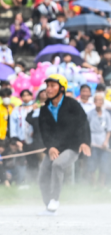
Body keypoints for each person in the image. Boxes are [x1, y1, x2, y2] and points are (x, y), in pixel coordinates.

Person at [37, 75, 91, 214]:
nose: (48, 89)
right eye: (47, 86)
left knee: (58, 165)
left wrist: (85, 142)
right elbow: (45, 131)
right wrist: (50, 147)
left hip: (72, 146)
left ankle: (55, 199)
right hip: (54, 147)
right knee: (43, 174)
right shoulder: (44, 109)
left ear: (61, 88)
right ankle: (49, 205)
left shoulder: (72, 104)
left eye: (52, 86)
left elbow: (83, 123)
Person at [86, 93, 111, 185]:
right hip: (93, 141)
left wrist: (105, 142)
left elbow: (109, 130)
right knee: (92, 163)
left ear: (103, 102)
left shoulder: (106, 114)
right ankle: (93, 185)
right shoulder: (90, 114)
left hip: (103, 140)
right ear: (94, 102)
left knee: (104, 163)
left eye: (100, 100)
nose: (98, 102)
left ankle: (102, 184)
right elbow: (86, 129)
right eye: (97, 100)